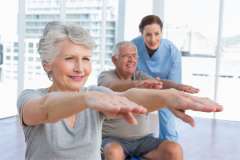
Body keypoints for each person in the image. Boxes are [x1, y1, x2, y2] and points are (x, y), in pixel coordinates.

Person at [17, 22, 222, 160]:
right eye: (70, 59)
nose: (80, 68)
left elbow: (128, 97)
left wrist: (167, 97)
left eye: (86, 59)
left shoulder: (94, 94)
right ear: (47, 64)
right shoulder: (31, 97)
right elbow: (45, 110)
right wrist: (87, 99)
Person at [98, 41, 199, 160]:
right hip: (113, 139)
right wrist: (138, 84)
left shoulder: (141, 76)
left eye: (134, 56)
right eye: (126, 56)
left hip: (143, 140)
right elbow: (111, 85)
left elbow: (160, 83)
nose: (131, 59)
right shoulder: (106, 76)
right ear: (114, 60)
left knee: (174, 149)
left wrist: (177, 86)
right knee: (113, 152)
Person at [132, 15, 182, 141]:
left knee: (168, 122)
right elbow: (128, 75)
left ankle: (168, 147)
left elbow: (175, 84)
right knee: (136, 121)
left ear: (162, 32)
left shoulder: (172, 51)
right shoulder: (133, 46)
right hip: (141, 87)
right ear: (141, 33)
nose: (153, 39)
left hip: (165, 88)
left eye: (157, 34)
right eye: (148, 34)